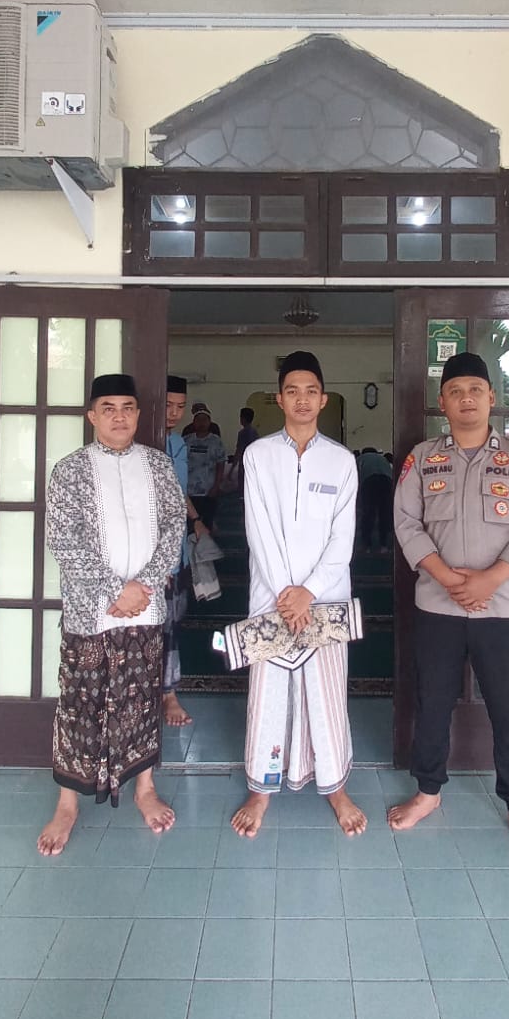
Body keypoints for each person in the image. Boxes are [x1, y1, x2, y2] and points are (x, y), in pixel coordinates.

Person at [390, 351, 509, 866]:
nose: (466, 398)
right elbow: (406, 521)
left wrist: (490, 578)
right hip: (437, 607)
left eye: (475, 390)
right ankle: (428, 792)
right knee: (432, 703)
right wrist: (446, 577)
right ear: (442, 402)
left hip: (502, 608)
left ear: (492, 397)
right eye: (455, 391)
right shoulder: (423, 458)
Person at [37, 374, 186, 856]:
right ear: (92, 416)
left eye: (127, 407)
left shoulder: (158, 465)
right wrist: (114, 589)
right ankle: (67, 804)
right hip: (91, 611)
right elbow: (63, 540)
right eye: (108, 408)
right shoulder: (69, 470)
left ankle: (144, 789)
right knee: (79, 704)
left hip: (145, 608)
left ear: (138, 415)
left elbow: (174, 526)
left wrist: (142, 587)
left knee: (141, 699)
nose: (119, 417)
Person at [231, 350, 366, 839]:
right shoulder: (258, 455)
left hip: (324, 601)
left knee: (326, 697)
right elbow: (259, 529)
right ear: (280, 399)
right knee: (268, 697)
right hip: (271, 599)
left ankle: (335, 787)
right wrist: (288, 594)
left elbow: (342, 538)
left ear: (324, 399)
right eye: (293, 391)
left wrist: (308, 591)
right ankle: (261, 789)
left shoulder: (342, 461)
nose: (302, 399)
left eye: (311, 391)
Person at [163, 374, 202, 727]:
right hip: (148, 557)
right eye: (168, 405)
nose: (174, 413)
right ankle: (163, 693)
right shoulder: (141, 443)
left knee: (174, 623)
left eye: (180, 406)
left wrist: (197, 520)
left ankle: (167, 690)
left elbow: (180, 491)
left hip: (177, 552)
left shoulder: (178, 443)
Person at [184, 403, 226, 531]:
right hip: (189, 491)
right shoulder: (186, 440)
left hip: (208, 491)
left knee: (207, 524)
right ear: (193, 422)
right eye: (198, 420)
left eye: (204, 420)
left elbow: (221, 464)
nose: (201, 423)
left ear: (209, 422)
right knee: (190, 526)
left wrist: (216, 485)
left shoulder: (216, 441)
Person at [358, 446, 393, 551]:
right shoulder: (383, 459)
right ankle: (384, 545)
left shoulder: (360, 458)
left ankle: (367, 545)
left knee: (368, 513)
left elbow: (354, 476)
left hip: (369, 481)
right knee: (384, 513)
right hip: (387, 481)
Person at [233, 405, 259, 495]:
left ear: (243, 418)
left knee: (243, 487)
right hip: (254, 462)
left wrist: (232, 467)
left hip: (244, 463)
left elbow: (239, 450)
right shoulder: (255, 432)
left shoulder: (243, 433)